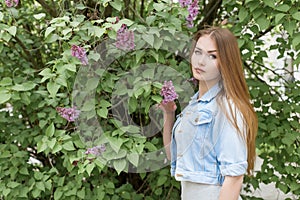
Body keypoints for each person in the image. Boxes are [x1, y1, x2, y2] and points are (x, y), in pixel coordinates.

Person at [159, 27, 258, 200]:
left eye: (212, 56)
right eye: (198, 52)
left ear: (226, 62)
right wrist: (169, 116)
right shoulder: (194, 105)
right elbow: (173, 156)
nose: (201, 61)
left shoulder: (227, 107)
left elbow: (234, 178)